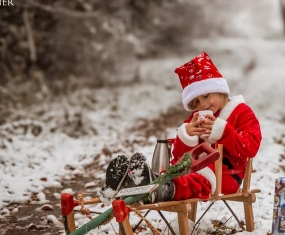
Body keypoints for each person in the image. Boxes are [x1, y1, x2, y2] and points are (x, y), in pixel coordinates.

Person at [99, 52, 261, 205]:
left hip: (226, 175)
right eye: (196, 102)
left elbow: (251, 147)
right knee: (173, 172)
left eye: (206, 96)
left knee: (197, 180)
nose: (203, 104)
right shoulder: (196, 118)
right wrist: (186, 136)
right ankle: (129, 185)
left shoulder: (241, 112)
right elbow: (180, 157)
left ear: (220, 90)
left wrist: (224, 131)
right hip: (195, 169)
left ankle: (160, 189)